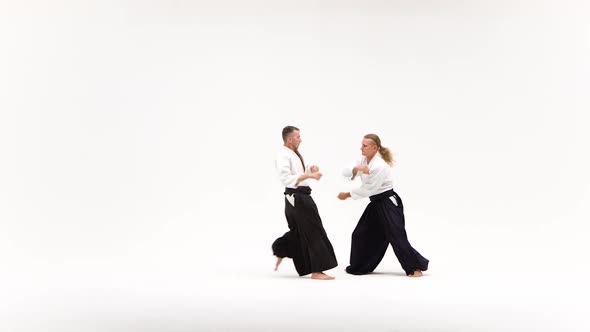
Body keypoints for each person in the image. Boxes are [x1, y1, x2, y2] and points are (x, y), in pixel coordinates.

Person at [337, 133, 429, 277]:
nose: (361, 148)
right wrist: (357, 169)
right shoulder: (362, 160)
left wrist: (347, 195)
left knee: (397, 237)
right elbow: (345, 171)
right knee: (359, 234)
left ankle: (414, 268)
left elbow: (369, 189)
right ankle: (359, 266)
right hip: (376, 203)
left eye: (364, 146)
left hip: (388, 203)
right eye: (361, 144)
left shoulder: (379, 166)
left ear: (374, 148)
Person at [272, 126, 338, 280]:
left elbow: (301, 170)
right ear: (290, 139)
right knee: (314, 230)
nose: (300, 139)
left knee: (298, 232)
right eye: (298, 137)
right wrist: (309, 175)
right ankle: (317, 271)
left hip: (299, 197)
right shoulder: (282, 155)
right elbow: (286, 178)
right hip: (297, 197)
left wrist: (311, 168)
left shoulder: (294, 153)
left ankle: (281, 250)